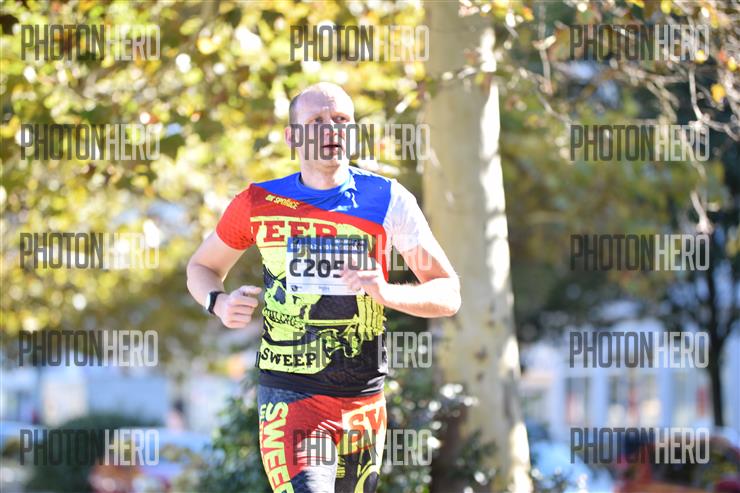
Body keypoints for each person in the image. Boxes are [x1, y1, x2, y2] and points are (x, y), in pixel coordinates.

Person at [186, 82, 460, 493]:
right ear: (292, 136)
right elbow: (202, 266)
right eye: (316, 121)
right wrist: (218, 302)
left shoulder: (387, 199)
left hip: (364, 398)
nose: (331, 129)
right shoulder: (258, 202)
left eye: (341, 119)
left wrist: (386, 292)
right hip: (292, 396)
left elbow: (447, 292)